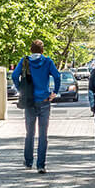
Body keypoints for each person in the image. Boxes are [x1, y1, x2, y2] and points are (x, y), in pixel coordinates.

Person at [12, 39, 61, 173]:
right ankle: (41, 165)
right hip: (44, 100)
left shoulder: (25, 61)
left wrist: (21, 89)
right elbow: (57, 76)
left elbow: (14, 75)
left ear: (31, 50)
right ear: (42, 50)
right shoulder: (47, 61)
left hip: (29, 101)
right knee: (43, 134)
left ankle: (28, 162)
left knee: (30, 133)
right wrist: (54, 92)